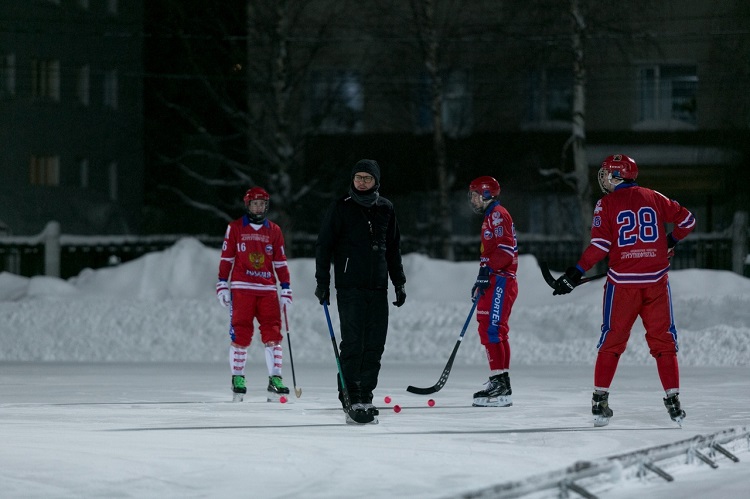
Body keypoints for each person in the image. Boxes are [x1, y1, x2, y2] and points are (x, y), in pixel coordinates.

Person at [552, 154, 696, 427]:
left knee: (612, 341)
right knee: (663, 342)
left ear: (617, 176)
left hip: (622, 286)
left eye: (607, 173)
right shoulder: (654, 196)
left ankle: (599, 402)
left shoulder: (605, 204)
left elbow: (600, 246)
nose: (604, 178)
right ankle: (674, 403)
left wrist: (574, 273)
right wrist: (669, 240)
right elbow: (687, 221)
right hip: (655, 282)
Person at [315, 159, 407, 422]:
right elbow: (324, 245)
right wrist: (322, 282)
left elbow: (393, 248)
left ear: (376, 181)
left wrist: (398, 282)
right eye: (358, 177)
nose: (362, 182)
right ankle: (350, 393)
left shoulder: (386, 208)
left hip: (377, 286)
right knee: (354, 343)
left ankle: (366, 393)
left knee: (375, 344)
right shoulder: (341, 207)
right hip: (349, 286)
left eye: (367, 178)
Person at [216, 187, 294, 402]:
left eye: (262, 204)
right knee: (241, 333)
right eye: (255, 204)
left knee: (273, 333)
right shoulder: (235, 228)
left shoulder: (274, 230)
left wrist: (285, 286)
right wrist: (222, 284)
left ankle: (275, 378)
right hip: (242, 288)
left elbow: (280, 260)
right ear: (247, 205)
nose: (258, 207)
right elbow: (226, 258)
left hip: (267, 289)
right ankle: (238, 377)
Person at [467, 176, 519, 407]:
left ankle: (500, 387)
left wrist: (487, 271)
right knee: (493, 329)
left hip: (501, 280)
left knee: (492, 329)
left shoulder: (497, 214)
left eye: (476, 194)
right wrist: (482, 276)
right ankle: (500, 380)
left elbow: (506, 250)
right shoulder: (491, 216)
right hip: (495, 279)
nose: (473, 199)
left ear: (487, 194)